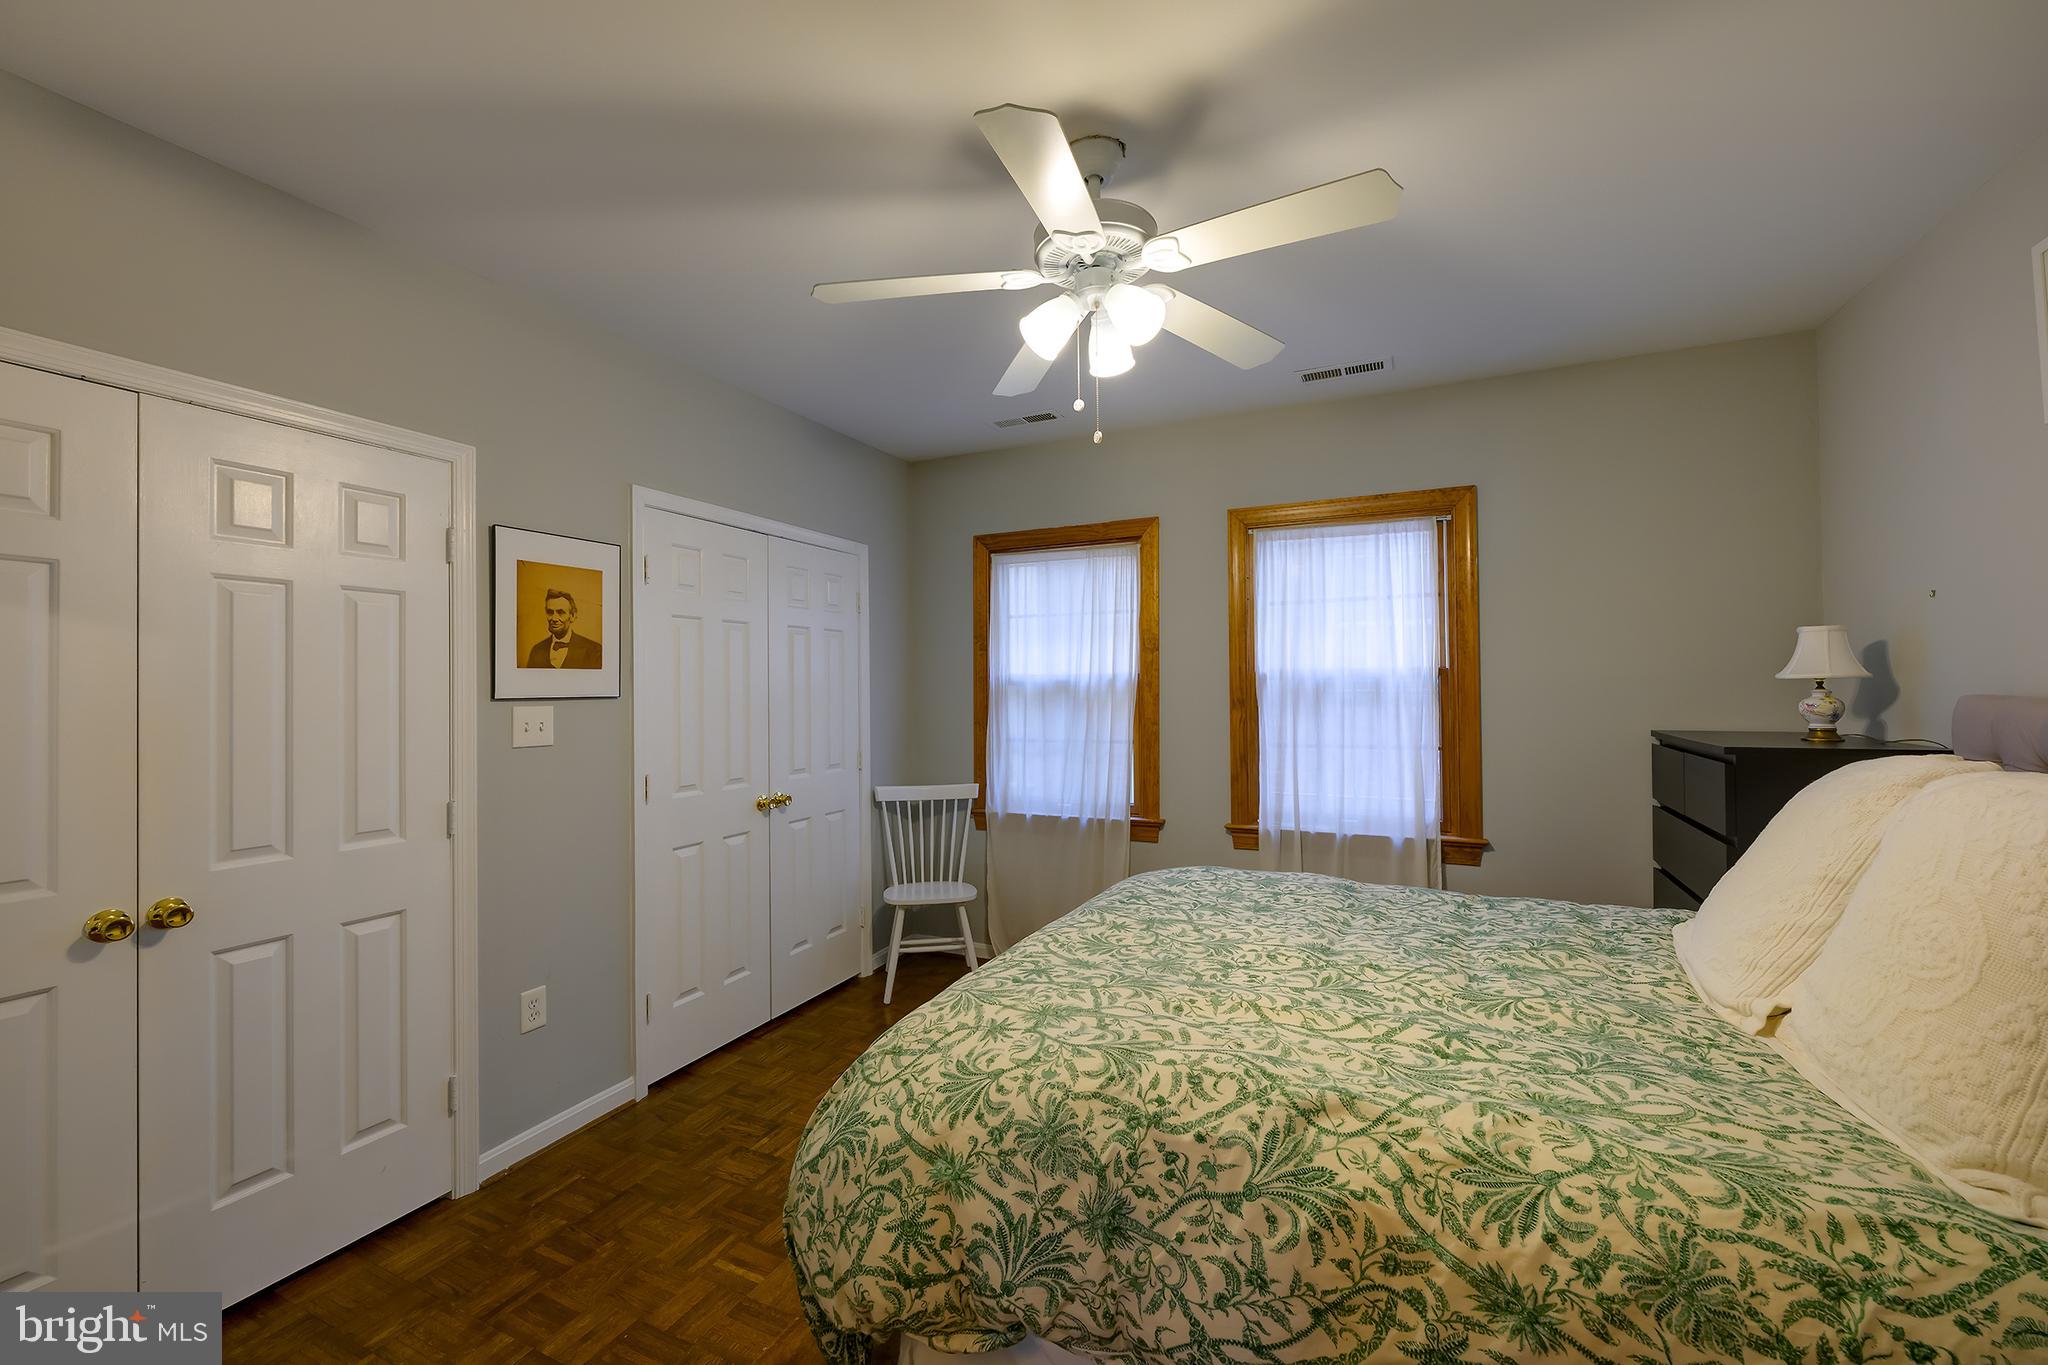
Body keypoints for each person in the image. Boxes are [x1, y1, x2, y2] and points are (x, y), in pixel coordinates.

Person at [526, 587, 601, 668]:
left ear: (572, 616)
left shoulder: (594, 651)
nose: (554, 618)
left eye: (561, 612)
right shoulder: (537, 651)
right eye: (550, 612)